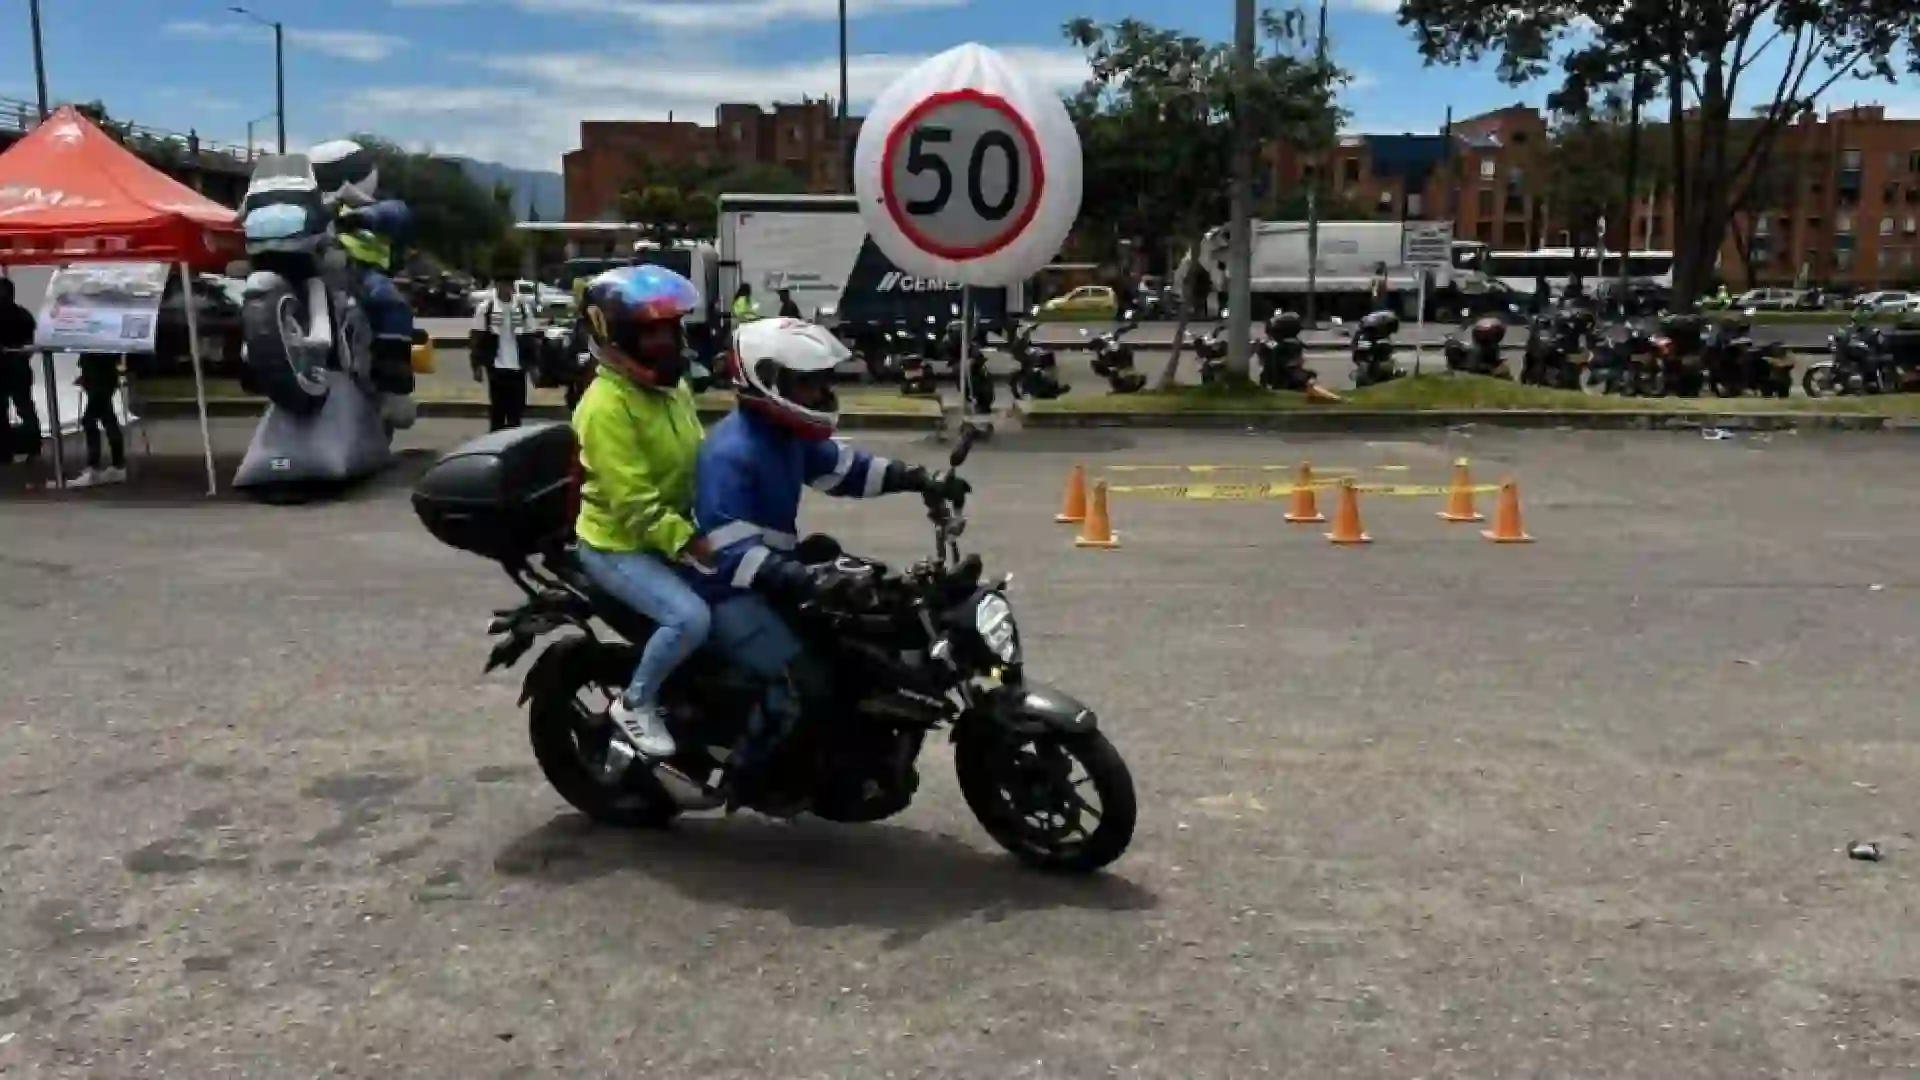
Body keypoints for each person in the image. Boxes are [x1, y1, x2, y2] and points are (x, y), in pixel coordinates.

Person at [684, 317, 968, 809]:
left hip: (775, 570)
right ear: (767, 380)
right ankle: (746, 778)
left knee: (862, 631)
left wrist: (920, 478)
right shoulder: (731, 453)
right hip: (727, 589)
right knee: (797, 683)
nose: (819, 391)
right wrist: (802, 575)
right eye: (806, 381)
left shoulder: (786, 434)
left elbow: (847, 470)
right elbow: (727, 552)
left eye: (820, 380)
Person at [571, 265, 714, 759]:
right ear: (617, 338)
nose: (665, 342)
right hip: (618, 544)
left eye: (669, 329)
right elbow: (635, 505)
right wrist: (695, 544)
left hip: (669, 531)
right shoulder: (605, 407)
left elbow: (699, 458)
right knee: (689, 620)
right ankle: (635, 702)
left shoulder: (672, 389)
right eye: (650, 332)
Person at [308, 139, 416, 402]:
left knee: (388, 299)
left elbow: (397, 214)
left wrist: (365, 216)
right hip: (315, 268)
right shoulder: (312, 207)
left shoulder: (373, 204)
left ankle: (393, 361)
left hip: (360, 271)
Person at [470, 277, 538, 431]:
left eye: (508, 284)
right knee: (497, 411)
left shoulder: (522, 308)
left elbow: (530, 338)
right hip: (496, 366)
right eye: (502, 284)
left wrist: (534, 366)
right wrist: (477, 366)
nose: (506, 288)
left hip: (518, 367)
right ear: (496, 285)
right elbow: (477, 338)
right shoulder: (486, 308)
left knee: (516, 411)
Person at [0, 277, 41, 465]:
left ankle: (5, 451)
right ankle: (33, 447)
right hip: (19, 369)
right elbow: (30, 344)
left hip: (7, 370)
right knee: (25, 408)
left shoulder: (20, 315)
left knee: (6, 410)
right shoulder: (24, 314)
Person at [69, 353, 126, 487]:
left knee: (90, 420)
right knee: (107, 418)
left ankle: (95, 466)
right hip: (99, 374)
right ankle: (117, 465)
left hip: (100, 375)